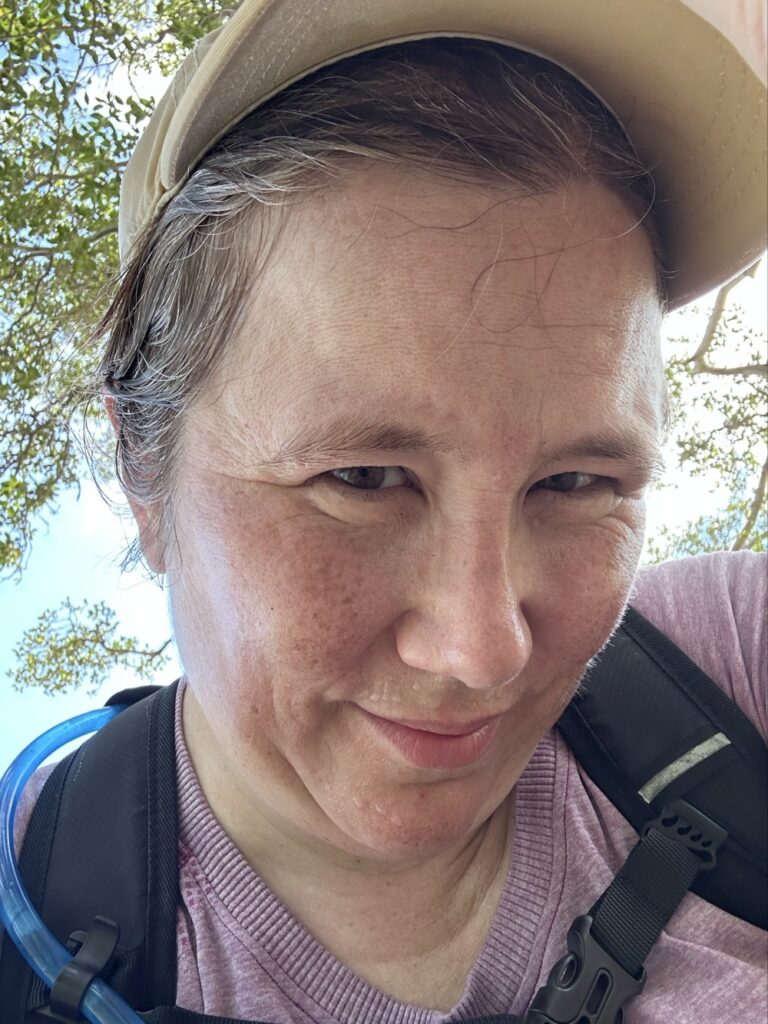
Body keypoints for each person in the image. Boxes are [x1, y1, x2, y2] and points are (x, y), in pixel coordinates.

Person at [3, 1, 766, 1021]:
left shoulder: (725, 670)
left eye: (576, 483)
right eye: (363, 477)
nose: (482, 649)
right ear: (146, 469)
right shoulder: (36, 904)